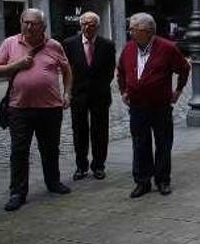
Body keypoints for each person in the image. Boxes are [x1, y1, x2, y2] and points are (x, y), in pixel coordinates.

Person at [0, 8, 73, 212]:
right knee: (19, 151)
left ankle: (53, 182)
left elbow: (67, 70)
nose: (28, 26)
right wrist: (17, 64)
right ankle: (17, 192)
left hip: (51, 108)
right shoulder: (10, 43)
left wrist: (67, 93)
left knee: (50, 148)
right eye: (25, 22)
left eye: (33, 23)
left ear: (43, 27)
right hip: (19, 108)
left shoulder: (54, 46)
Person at [118, 12, 189, 198]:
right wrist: (123, 90)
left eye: (133, 29)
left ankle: (162, 179)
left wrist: (178, 90)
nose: (130, 32)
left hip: (160, 105)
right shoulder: (129, 48)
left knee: (163, 143)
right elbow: (121, 71)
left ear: (147, 31)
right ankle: (142, 181)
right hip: (137, 106)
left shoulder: (167, 48)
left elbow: (184, 69)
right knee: (140, 143)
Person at [62, 12, 115, 181]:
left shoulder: (107, 45)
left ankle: (99, 166)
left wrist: (100, 86)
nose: (87, 27)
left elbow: (110, 70)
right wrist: (68, 92)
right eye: (84, 24)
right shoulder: (69, 44)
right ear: (80, 25)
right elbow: (66, 70)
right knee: (79, 132)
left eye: (91, 24)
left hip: (100, 95)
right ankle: (81, 166)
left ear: (97, 26)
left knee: (100, 132)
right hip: (78, 95)